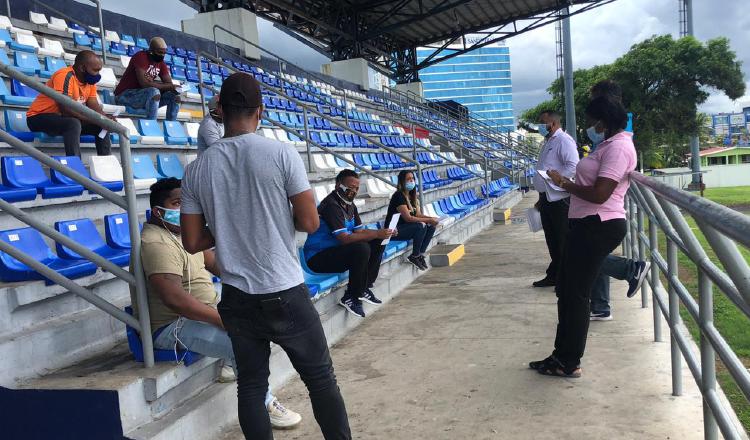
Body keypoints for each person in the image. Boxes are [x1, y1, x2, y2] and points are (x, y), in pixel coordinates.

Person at [180, 72, 351, 439]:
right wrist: (267, 214)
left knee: (252, 386)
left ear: (221, 111)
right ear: (260, 111)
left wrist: (228, 224)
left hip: (238, 296)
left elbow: (192, 242)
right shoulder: (281, 152)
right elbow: (308, 220)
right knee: (321, 380)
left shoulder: (196, 170)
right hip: (284, 289)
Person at [132, 178, 301, 429]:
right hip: (172, 326)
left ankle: (231, 366)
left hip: (202, 312)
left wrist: (257, 287)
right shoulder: (156, 243)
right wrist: (224, 320)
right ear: (158, 211)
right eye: (177, 203)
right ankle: (263, 403)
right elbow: (175, 300)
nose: (184, 209)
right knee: (246, 342)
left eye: (186, 203)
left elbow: (219, 266)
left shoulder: (180, 233)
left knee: (258, 311)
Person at [530, 95, 637, 378]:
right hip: (586, 223)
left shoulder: (619, 148)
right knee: (566, 291)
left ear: (603, 120)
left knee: (575, 295)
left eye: (591, 120)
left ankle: (568, 360)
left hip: (598, 224)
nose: (589, 125)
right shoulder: (608, 145)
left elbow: (601, 194)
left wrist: (564, 183)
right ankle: (560, 355)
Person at [587, 79, 650, 321]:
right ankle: (601, 305)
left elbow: (612, 164)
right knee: (594, 254)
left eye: (596, 100)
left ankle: (630, 269)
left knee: (584, 255)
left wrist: (570, 184)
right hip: (599, 203)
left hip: (605, 204)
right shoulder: (607, 129)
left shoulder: (620, 132)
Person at [303, 169, 396, 318]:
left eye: (357, 188)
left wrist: (383, 233)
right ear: (338, 185)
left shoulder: (350, 205)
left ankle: (364, 287)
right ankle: (351, 296)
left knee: (378, 241)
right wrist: (376, 233)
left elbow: (359, 233)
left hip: (337, 252)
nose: (353, 191)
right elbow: (345, 238)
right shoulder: (331, 205)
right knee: (361, 248)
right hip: (318, 257)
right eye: (350, 187)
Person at [26, 50, 112, 157]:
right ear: (82, 68)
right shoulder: (65, 75)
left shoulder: (89, 81)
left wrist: (105, 120)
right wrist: (97, 120)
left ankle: (106, 164)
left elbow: (93, 105)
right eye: (95, 70)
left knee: (102, 127)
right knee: (73, 123)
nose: (98, 74)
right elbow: (66, 109)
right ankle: (75, 167)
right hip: (38, 117)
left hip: (61, 118)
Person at [532, 110, 579, 288]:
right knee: (551, 239)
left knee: (561, 239)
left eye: (542, 122)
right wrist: (541, 194)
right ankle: (555, 275)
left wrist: (556, 181)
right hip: (547, 198)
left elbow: (573, 166)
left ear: (552, 123)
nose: (540, 126)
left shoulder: (563, 140)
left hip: (559, 198)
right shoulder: (548, 142)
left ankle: (565, 279)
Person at [114, 37, 180, 120]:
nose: (162, 55)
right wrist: (155, 85)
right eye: (159, 52)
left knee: (174, 96)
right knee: (154, 91)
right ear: (151, 50)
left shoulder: (160, 63)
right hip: (124, 95)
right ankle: (152, 125)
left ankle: (172, 127)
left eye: (164, 53)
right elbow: (144, 84)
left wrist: (152, 83)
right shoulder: (141, 57)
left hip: (144, 95)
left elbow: (169, 84)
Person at [385, 170, 439, 270]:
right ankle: (414, 256)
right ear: (402, 181)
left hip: (407, 228)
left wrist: (431, 219)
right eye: (408, 179)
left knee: (431, 226)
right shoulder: (398, 196)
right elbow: (408, 218)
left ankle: (420, 254)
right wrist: (428, 220)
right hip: (394, 230)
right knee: (420, 225)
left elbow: (418, 214)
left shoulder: (411, 196)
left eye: (412, 178)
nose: (411, 181)